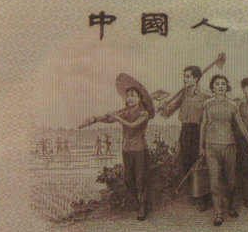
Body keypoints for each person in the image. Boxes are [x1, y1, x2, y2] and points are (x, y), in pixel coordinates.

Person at [79, 74, 155, 221]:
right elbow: (109, 120)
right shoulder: (125, 111)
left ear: (140, 98)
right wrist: (96, 118)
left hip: (140, 150)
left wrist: (117, 117)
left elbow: (132, 125)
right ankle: (136, 203)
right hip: (126, 150)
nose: (129, 98)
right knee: (129, 180)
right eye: (128, 96)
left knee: (140, 180)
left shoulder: (143, 113)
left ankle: (142, 208)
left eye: (133, 95)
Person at [199, 75, 248, 225]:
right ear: (213, 87)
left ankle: (230, 206)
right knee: (215, 179)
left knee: (230, 180)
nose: (221, 86)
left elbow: (241, 124)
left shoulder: (232, 105)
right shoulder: (207, 104)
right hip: (211, 146)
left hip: (229, 145)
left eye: (223, 84)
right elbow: (204, 125)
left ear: (227, 87)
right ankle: (218, 213)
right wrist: (201, 146)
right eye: (217, 84)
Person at [159, 64, 208, 206]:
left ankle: (203, 198)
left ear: (196, 78)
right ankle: (192, 194)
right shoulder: (183, 95)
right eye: (184, 76)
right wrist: (162, 106)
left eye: (188, 77)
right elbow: (167, 113)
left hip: (199, 131)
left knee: (199, 164)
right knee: (186, 162)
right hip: (185, 131)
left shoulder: (206, 96)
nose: (185, 79)